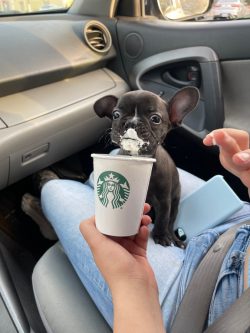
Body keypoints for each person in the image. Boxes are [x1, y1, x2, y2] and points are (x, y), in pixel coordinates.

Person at [41, 128, 250, 332]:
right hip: (240, 226)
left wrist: (132, 283)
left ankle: (48, 199)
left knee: (56, 191)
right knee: (118, 157)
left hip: (205, 300)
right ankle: (85, 190)